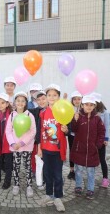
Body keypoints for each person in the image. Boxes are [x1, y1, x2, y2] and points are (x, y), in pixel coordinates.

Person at [39, 84, 68, 212]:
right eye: (49, 95)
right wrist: (40, 148)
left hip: (57, 150)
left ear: (58, 97)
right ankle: (48, 194)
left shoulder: (62, 112)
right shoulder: (43, 112)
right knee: (47, 173)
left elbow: (68, 130)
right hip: (46, 149)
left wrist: (66, 129)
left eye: (54, 95)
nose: (51, 97)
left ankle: (57, 197)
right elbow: (41, 131)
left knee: (57, 174)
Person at [70, 95, 105, 200]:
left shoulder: (97, 119)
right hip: (79, 149)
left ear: (94, 106)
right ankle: (78, 187)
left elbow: (101, 133)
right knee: (79, 170)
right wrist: (75, 120)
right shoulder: (78, 116)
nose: (89, 107)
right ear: (82, 105)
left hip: (92, 151)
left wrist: (97, 145)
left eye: (91, 105)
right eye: (86, 104)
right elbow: (74, 129)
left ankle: (90, 189)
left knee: (91, 172)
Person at [6, 91, 36, 197]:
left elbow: (33, 131)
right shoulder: (12, 115)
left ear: (26, 102)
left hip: (26, 147)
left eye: (23, 101)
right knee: (16, 166)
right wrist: (13, 143)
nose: (20, 103)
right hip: (15, 147)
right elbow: (8, 131)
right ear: (15, 102)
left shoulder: (29, 115)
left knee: (28, 166)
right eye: (18, 100)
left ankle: (29, 186)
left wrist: (22, 143)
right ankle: (16, 184)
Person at [91, 92, 110, 188]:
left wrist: (106, 138)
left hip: (101, 139)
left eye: (95, 103)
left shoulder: (105, 113)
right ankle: (91, 177)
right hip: (91, 139)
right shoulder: (90, 112)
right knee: (92, 159)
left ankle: (105, 178)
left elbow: (107, 126)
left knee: (102, 159)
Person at [28, 90, 46, 188]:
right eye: (38, 99)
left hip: (49, 142)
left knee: (48, 162)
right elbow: (25, 110)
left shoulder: (53, 110)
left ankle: (49, 179)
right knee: (39, 160)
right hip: (38, 141)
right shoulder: (35, 111)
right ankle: (40, 178)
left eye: (43, 98)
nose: (41, 101)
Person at [67, 91, 82, 180]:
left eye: (79, 99)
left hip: (81, 135)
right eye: (75, 99)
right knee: (72, 151)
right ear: (72, 100)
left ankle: (78, 170)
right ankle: (72, 170)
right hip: (72, 134)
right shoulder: (69, 109)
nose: (77, 101)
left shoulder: (84, 109)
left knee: (79, 152)